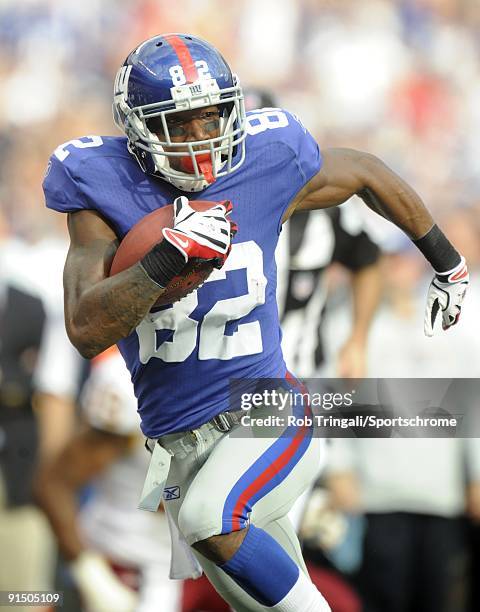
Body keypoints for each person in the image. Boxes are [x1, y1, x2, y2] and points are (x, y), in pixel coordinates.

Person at [42, 34, 468, 612]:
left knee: (209, 520)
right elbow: (86, 327)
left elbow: (366, 171)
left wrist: (448, 262)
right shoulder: (101, 183)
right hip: (181, 445)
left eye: (211, 117)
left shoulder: (265, 159)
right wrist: (164, 260)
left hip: (268, 409)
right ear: (139, 128)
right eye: (180, 123)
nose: (201, 139)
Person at [34, 344, 180, 612]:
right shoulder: (126, 379)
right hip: (137, 567)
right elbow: (54, 484)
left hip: (223, 567)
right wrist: (92, 576)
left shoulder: (261, 372)